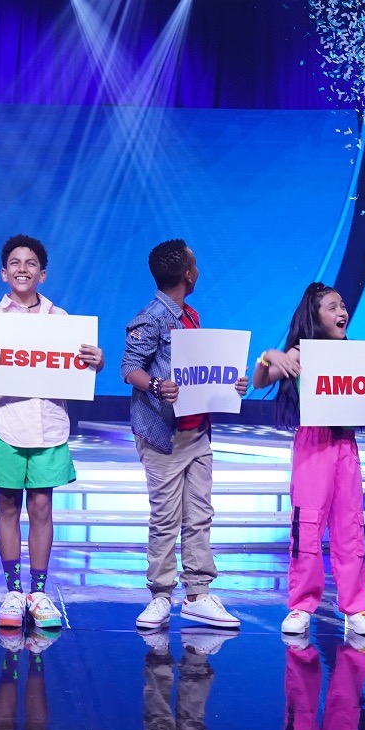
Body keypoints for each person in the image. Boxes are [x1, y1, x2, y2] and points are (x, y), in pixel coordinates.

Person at [0, 234, 103, 633]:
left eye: (31, 263)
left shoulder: (61, 320)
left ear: (43, 274)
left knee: (41, 508)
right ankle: (13, 592)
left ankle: (38, 593)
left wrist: (97, 362)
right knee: (7, 507)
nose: (23, 269)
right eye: (15, 263)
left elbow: (79, 370)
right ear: (4, 274)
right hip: (4, 422)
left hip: (49, 424)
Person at [253, 281, 365, 639]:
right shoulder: (301, 353)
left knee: (350, 527)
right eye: (332, 307)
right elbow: (259, 381)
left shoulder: (355, 356)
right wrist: (271, 355)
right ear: (315, 316)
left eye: (343, 306)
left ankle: (356, 608)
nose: (342, 312)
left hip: (345, 446)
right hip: (313, 445)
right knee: (307, 527)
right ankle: (301, 605)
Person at [122, 239, 239, 633]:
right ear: (188, 274)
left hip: (197, 433)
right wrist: (157, 385)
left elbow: (198, 371)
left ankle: (198, 594)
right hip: (164, 436)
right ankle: (160, 595)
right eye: (196, 264)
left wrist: (229, 383)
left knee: (200, 515)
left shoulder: (191, 315)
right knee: (166, 518)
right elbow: (129, 367)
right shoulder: (151, 317)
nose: (199, 270)